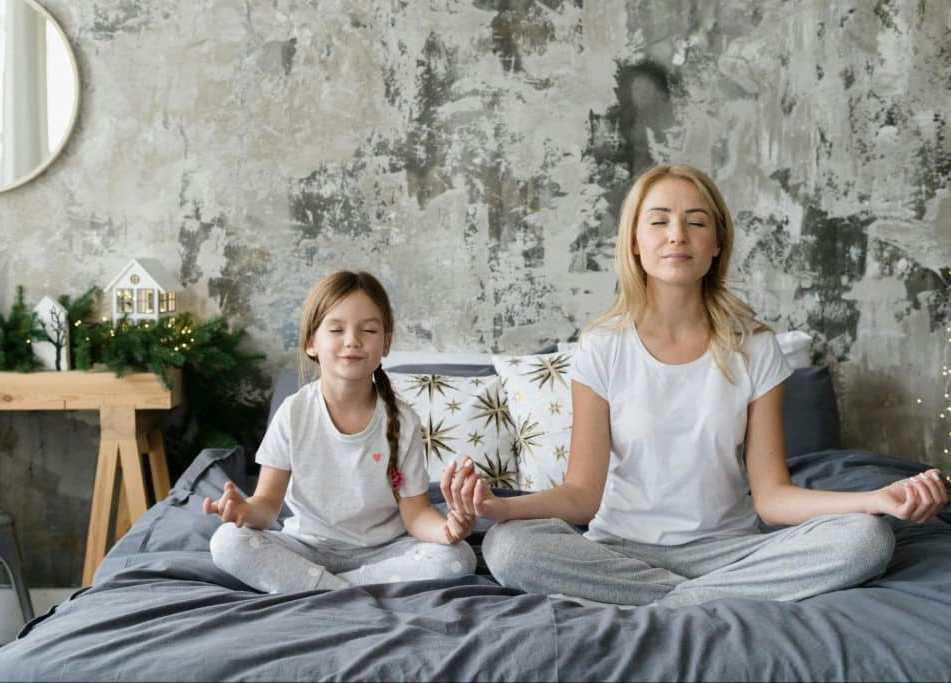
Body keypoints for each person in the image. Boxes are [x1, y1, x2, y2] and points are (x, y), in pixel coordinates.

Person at [451, 163, 948, 608]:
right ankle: (697, 600)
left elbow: (773, 498)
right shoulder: (601, 346)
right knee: (507, 547)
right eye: (660, 220)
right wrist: (499, 507)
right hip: (621, 550)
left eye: (696, 221)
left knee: (867, 539)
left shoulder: (755, 347)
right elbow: (581, 495)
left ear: (716, 246)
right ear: (635, 243)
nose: (677, 235)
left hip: (731, 551)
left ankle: (668, 600)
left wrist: (875, 499)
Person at [204, 271, 477, 594]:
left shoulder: (402, 420)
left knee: (457, 558)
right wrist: (244, 510)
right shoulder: (294, 413)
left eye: (369, 330)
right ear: (311, 342)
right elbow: (266, 507)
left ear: (386, 343)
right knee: (226, 542)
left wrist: (447, 529)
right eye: (336, 329)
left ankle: (324, 590)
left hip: (383, 552)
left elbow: (416, 515)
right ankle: (345, 591)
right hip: (305, 547)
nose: (352, 340)